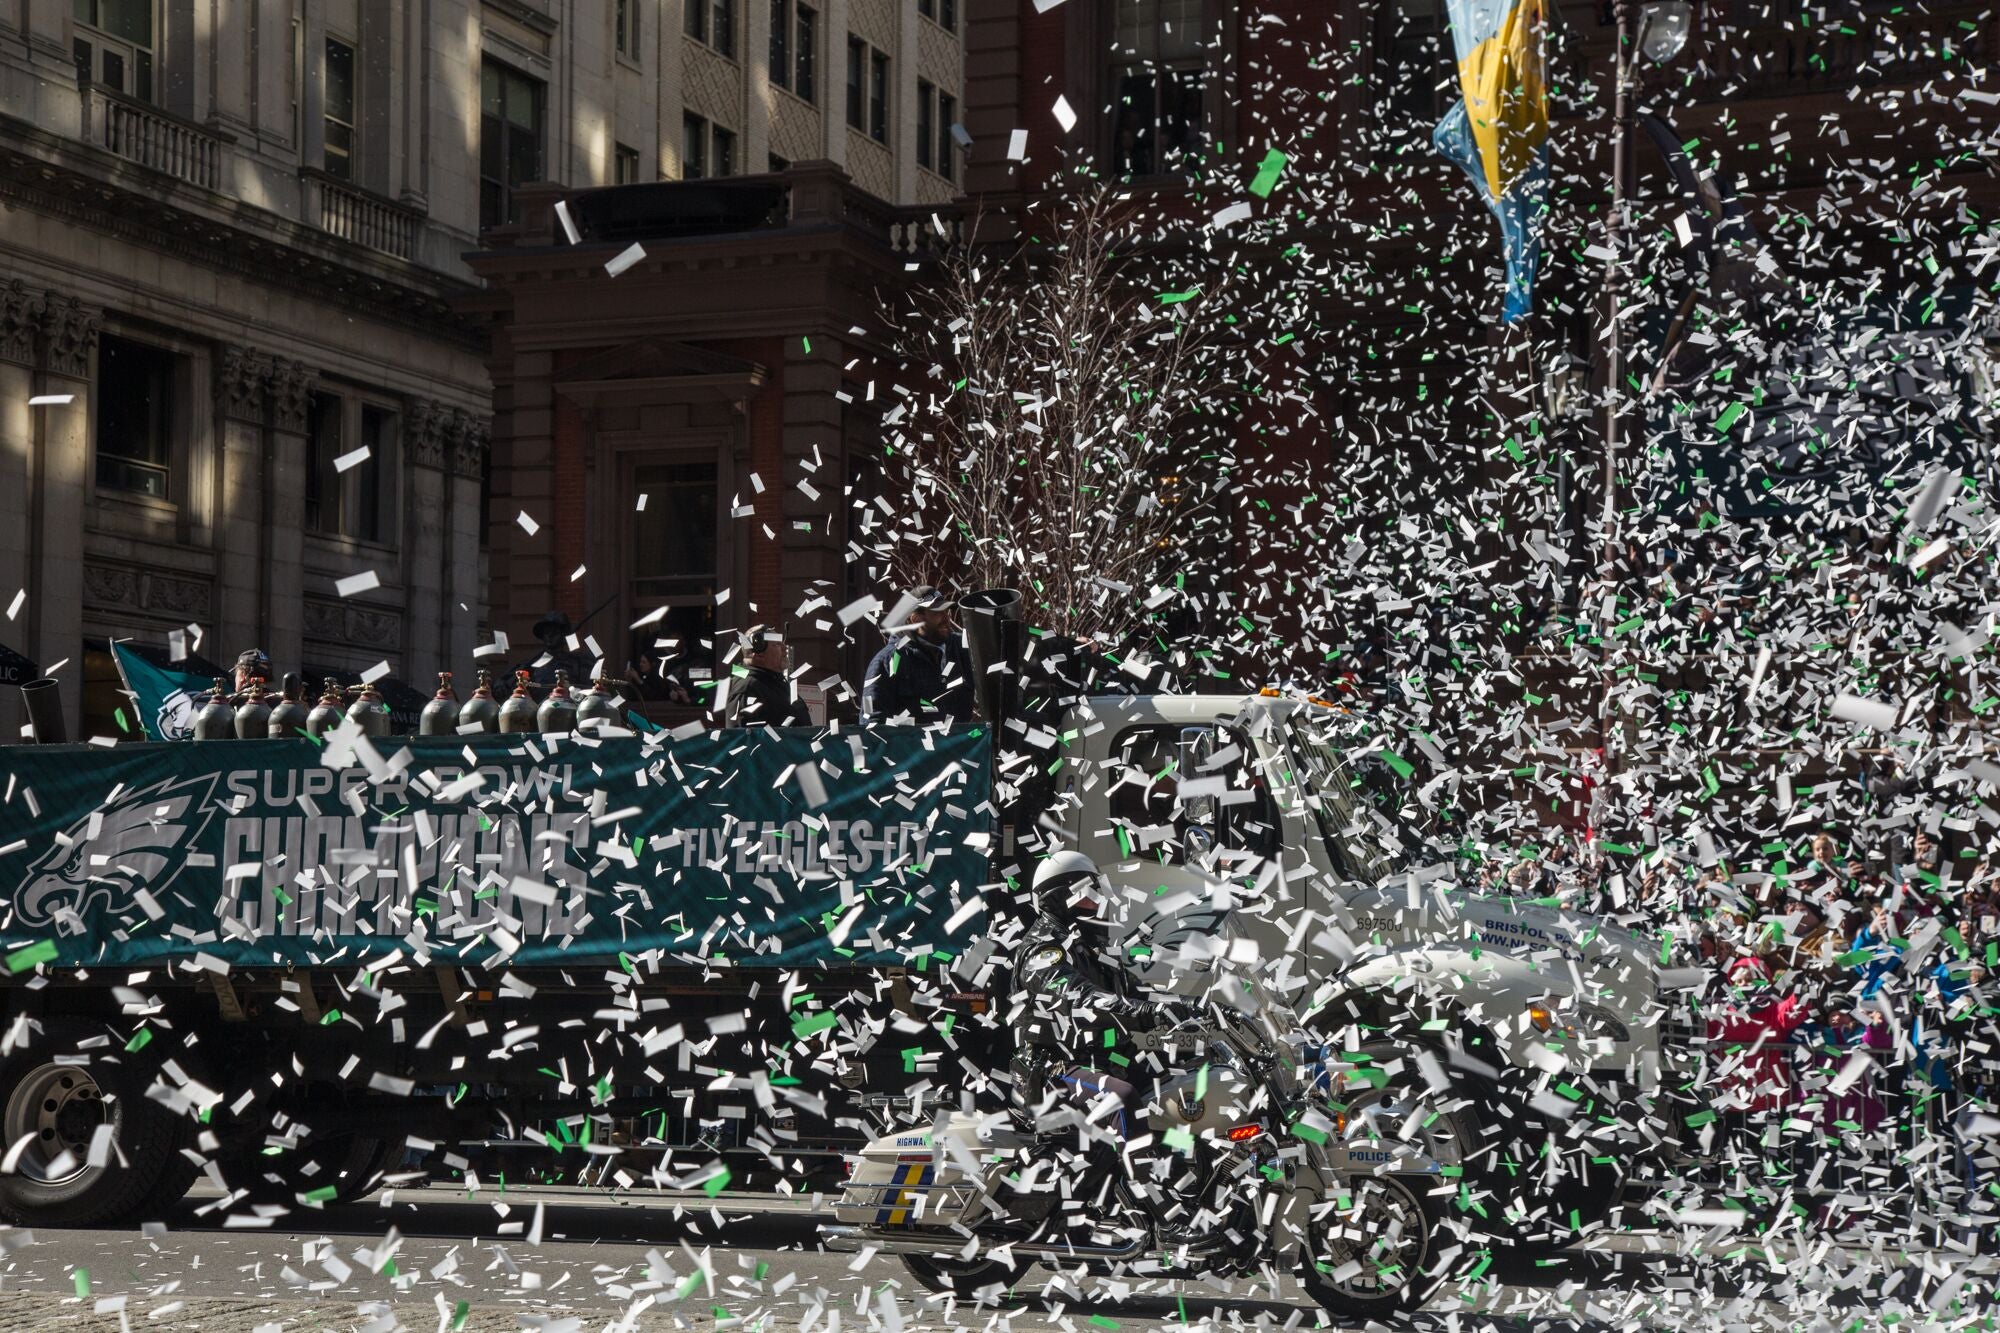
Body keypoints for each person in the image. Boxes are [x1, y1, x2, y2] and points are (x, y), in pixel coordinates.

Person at [861, 586, 973, 724]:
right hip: (912, 745)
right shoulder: (887, 662)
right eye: (938, 612)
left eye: (946, 611)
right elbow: (870, 724)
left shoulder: (963, 650)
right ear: (915, 619)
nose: (946, 618)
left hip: (959, 745)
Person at [724, 625, 810, 727]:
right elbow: (743, 738)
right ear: (759, 652)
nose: (784, 648)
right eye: (777, 644)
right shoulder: (747, 688)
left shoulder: (775, 683)